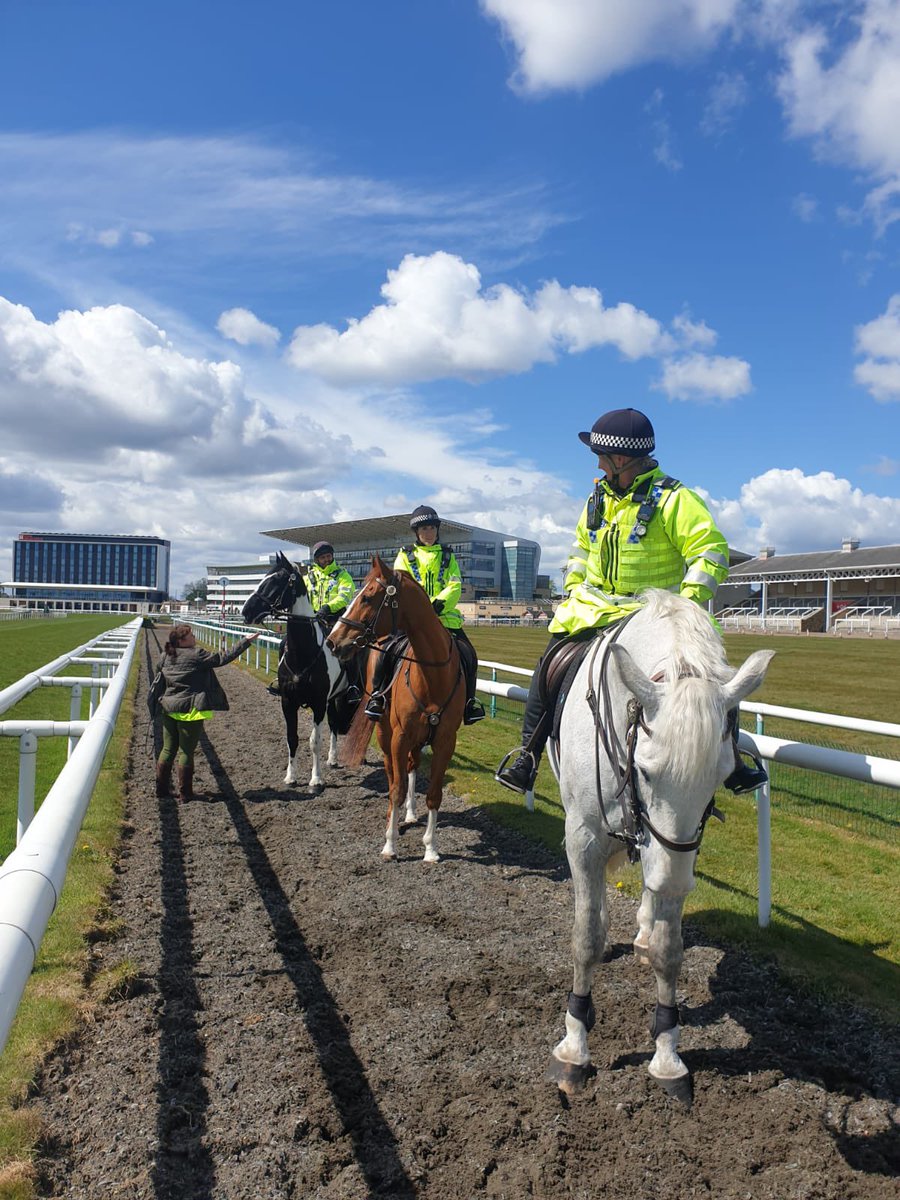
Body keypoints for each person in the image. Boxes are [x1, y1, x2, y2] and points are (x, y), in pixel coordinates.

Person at [495, 407, 768, 796]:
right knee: (549, 664)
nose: (599, 465)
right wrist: (574, 586)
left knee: (710, 674)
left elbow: (711, 552)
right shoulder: (596, 499)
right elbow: (580, 551)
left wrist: (687, 603)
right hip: (594, 606)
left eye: (602, 458)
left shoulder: (677, 499)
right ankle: (528, 755)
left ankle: (734, 759)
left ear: (620, 459)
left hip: (657, 612)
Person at [364, 505, 486, 726]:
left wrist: (438, 605)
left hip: (445, 617)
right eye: (423, 529)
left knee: (469, 654)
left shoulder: (449, 556)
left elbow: (455, 584)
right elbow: (402, 585)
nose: (428, 533)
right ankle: (377, 697)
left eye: (431, 528)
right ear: (416, 533)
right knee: (385, 650)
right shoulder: (405, 556)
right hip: (410, 620)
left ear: (437, 530)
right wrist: (423, 609)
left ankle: (469, 704)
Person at [152, 623, 259, 801]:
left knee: (168, 749)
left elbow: (159, 678)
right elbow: (222, 658)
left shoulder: (165, 656)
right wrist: (245, 642)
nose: (194, 638)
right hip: (190, 710)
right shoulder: (197, 655)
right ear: (182, 640)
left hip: (168, 709)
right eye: (191, 636)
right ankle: (186, 793)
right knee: (186, 751)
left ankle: (161, 790)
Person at [308, 540, 355, 627]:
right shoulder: (308, 577)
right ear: (317, 560)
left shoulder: (343, 575)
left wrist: (328, 608)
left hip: (335, 620)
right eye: (322, 557)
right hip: (313, 619)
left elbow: (345, 596)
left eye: (328, 556)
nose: (326, 559)